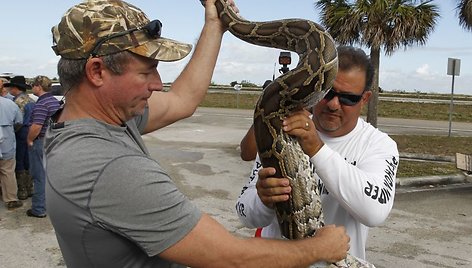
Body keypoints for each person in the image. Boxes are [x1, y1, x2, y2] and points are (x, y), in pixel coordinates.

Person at [44, 0, 350, 267]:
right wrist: (318, 248)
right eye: (146, 70)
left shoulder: (97, 120)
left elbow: (182, 99)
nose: (157, 83)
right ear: (97, 71)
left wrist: (215, 24)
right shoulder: (108, 167)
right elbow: (232, 258)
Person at [236, 45, 399, 261]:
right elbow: (245, 214)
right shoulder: (282, 132)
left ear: (365, 98)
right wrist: (263, 201)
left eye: (348, 98)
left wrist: (316, 149)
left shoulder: (378, 145)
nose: (333, 104)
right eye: (328, 92)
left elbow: (374, 212)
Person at [25, 75, 60, 218]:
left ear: (38, 86)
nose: (32, 87)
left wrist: (29, 140)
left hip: (41, 141)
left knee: (39, 175)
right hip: (53, 140)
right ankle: (53, 205)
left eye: (33, 85)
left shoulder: (41, 104)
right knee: (51, 175)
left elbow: (36, 126)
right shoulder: (54, 102)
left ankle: (39, 208)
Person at [5, 75, 35, 200]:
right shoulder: (31, 100)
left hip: (21, 133)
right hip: (32, 132)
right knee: (29, 160)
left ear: (14, 88)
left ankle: (22, 189)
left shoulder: (17, 102)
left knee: (20, 161)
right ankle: (30, 187)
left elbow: (18, 121)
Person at [0, 95, 23, 209]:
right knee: (8, 172)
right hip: (6, 142)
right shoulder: (10, 103)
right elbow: (19, 121)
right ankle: (11, 200)